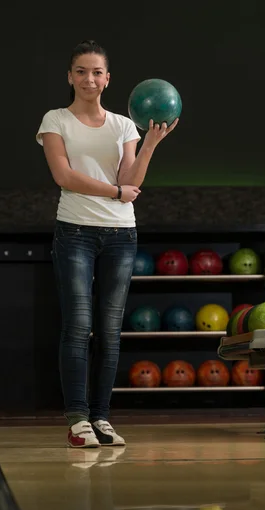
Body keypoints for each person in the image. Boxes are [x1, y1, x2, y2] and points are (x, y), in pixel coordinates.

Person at [36, 40, 178, 448]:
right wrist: (115, 192)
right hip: (75, 231)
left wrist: (149, 145)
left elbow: (132, 180)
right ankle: (78, 419)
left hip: (121, 235)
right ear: (70, 77)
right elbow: (65, 177)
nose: (89, 79)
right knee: (78, 327)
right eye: (81, 71)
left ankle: (102, 418)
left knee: (110, 333)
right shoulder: (55, 120)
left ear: (108, 79)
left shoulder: (122, 125)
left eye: (96, 72)